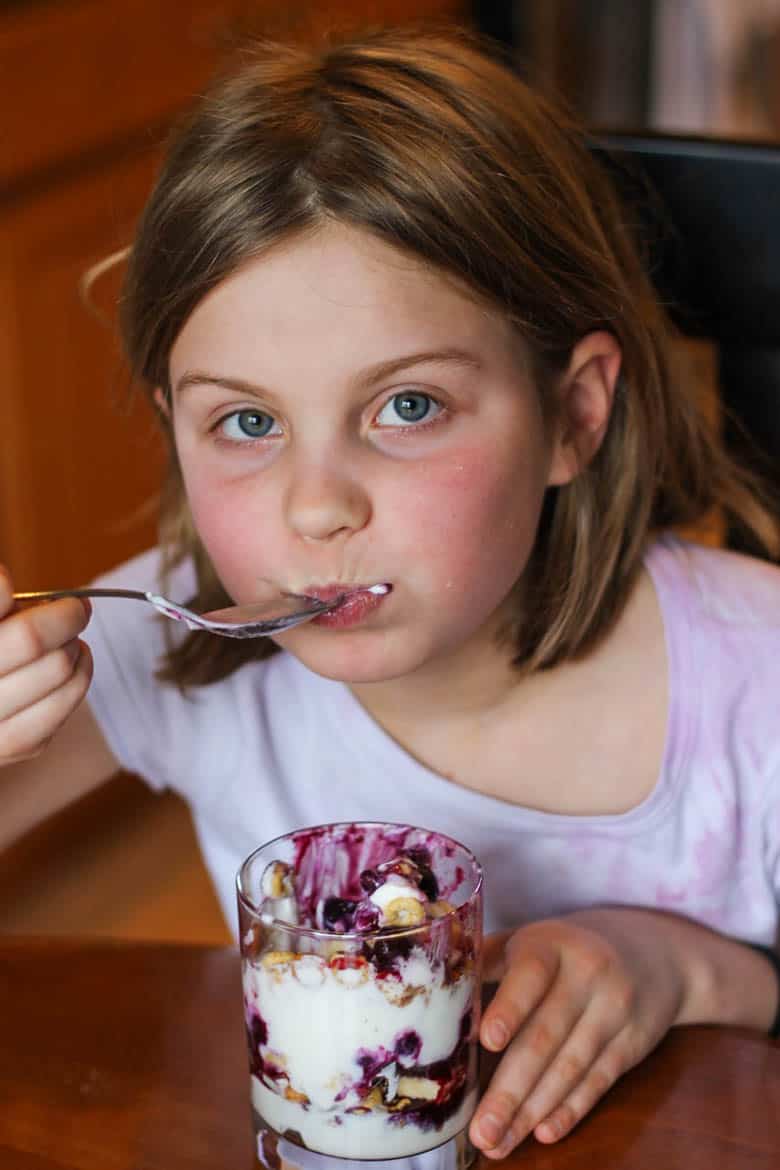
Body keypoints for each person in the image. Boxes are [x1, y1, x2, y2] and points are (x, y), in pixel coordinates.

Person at [1, 26, 779, 1162]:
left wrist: (694, 968)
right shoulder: (176, 644)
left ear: (574, 414)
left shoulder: (757, 682)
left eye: (406, 407)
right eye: (249, 423)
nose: (316, 507)